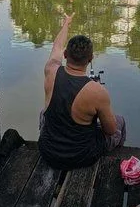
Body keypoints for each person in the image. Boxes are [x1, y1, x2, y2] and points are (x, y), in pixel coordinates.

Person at [38, 13, 126, 170]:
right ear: (91, 58)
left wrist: (66, 23)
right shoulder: (98, 91)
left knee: (43, 112)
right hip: (81, 157)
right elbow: (110, 130)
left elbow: (56, 46)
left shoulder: (51, 70)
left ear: (65, 55)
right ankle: (114, 163)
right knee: (120, 122)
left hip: (48, 152)